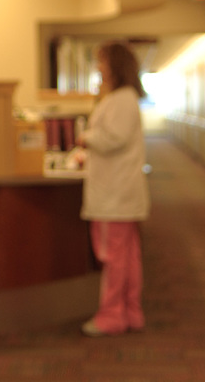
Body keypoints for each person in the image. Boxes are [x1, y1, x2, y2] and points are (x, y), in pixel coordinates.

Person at [75, 40, 149, 337]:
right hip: (121, 193)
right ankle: (130, 311)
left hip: (114, 196)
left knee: (113, 258)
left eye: (102, 62)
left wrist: (86, 137)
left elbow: (112, 138)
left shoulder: (120, 100)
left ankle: (111, 315)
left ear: (115, 65)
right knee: (128, 257)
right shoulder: (124, 99)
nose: (98, 68)